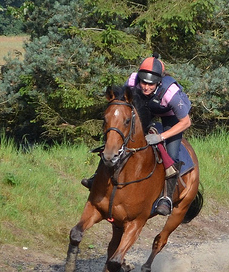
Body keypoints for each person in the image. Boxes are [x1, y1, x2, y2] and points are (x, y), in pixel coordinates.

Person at [81, 53, 192, 216]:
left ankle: (166, 198)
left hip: (171, 115)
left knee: (172, 154)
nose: (146, 87)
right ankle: (97, 177)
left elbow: (186, 122)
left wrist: (161, 137)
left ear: (159, 83)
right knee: (117, 139)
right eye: (143, 82)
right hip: (145, 108)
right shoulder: (133, 82)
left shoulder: (171, 93)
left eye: (151, 84)